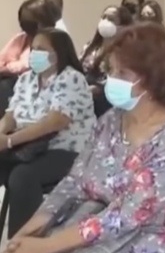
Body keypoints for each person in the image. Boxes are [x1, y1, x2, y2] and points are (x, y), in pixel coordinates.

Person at [0, 23, 165, 253]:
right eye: (112, 71)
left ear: (154, 79)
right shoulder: (111, 120)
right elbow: (73, 182)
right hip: (93, 235)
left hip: (150, 252)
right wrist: (28, 233)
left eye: (123, 74)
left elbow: (125, 216)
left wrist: (45, 247)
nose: (112, 80)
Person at [0, 29, 94, 237]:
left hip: (66, 150)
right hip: (26, 147)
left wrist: (8, 141)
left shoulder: (71, 78)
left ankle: (21, 247)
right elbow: (11, 116)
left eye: (41, 50)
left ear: (58, 52)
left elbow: (53, 123)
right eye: (33, 49)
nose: (35, 54)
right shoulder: (26, 79)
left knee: (23, 176)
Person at [80, 6, 134, 118]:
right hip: (85, 101)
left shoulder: (127, 51)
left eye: (111, 19)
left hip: (108, 102)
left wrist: (98, 88)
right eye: (103, 17)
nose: (105, 21)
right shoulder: (90, 47)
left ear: (123, 26)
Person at [0, 0, 56, 78]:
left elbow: (32, 65)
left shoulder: (56, 40)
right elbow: (1, 62)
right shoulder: (21, 37)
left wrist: (10, 68)